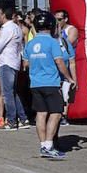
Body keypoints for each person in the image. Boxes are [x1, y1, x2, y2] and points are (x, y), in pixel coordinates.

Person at [23, 13, 74, 159]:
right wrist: (69, 78)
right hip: (51, 82)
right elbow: (59, 62)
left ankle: (43, 145)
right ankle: (49, 145)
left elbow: (25, 64)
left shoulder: (30, 43)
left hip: (35, 83)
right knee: (56, 113)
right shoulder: (52, 42)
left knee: (41, 113)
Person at [0, 5, 29, 130]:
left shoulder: (7, 29)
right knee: (13, 92)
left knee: (7, 93)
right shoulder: (17, 27)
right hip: (14, 61)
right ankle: (23, 119)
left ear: (3, 15)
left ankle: (12, 120)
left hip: (6, 62)